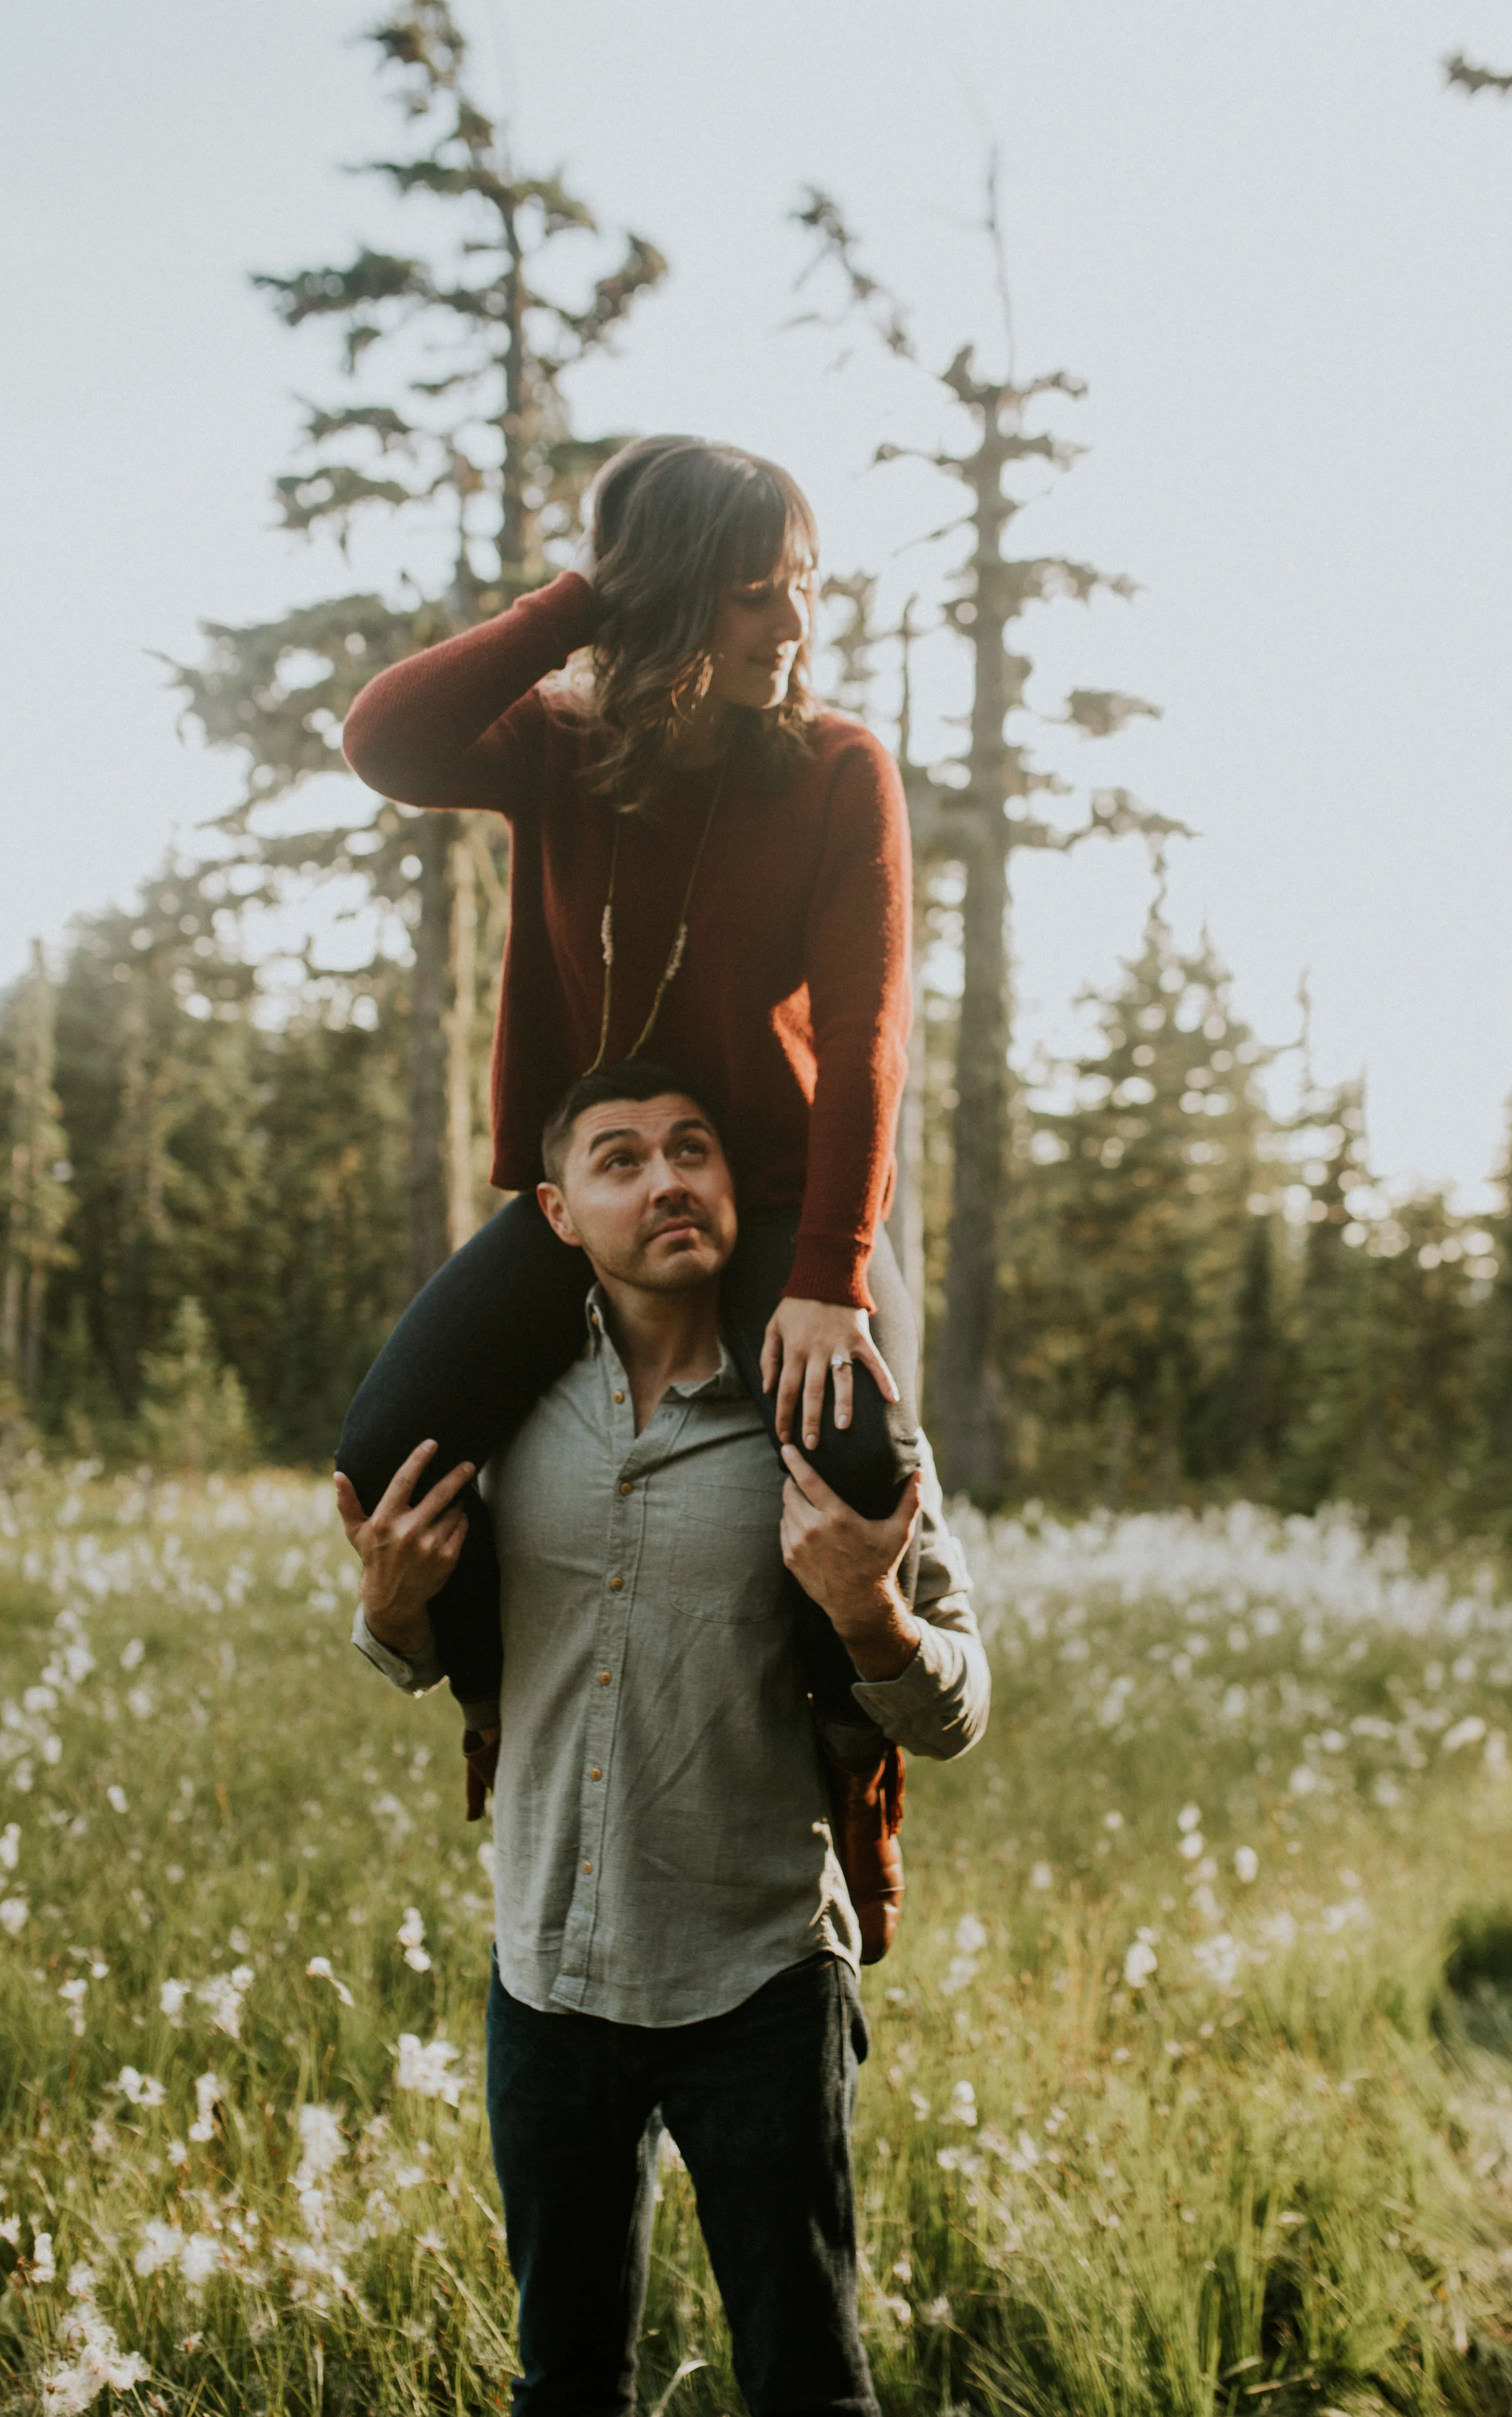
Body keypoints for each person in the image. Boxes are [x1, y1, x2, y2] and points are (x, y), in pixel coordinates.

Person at [334, 1065, 987, 2417]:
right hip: (547, 1975)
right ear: (560, 1213)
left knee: (808, 2381)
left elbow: (958, 1708)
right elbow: (412, 1654)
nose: (667, 1178)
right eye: (619, 1159)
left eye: (692, 1148)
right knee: (564, 2383)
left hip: (757, 1978)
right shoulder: (501, 1415)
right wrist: (389, 1615)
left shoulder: (828, 1420)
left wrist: (867, 1612)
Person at [334, 436, 924, 1909]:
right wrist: (581, 600)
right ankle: (492, 1706)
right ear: (660, 600)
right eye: (746, 594)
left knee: (852, 1470)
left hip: (779, 1195)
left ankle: (851, 1760)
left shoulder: (837, 765)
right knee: (381, 1466)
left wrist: (826, 1281)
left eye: (798, 587)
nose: (787, 627)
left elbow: (864, 1035)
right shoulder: (556, 747)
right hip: (588, 1196)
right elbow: (383, 742)